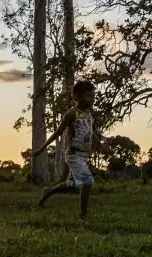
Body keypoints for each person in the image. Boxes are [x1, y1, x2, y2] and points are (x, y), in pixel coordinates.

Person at [33, 80, 107, 219]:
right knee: (88, 182)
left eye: (93, 96)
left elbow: (92, 133)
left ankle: (47, 192)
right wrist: (41, 149)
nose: (92, 100)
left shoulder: (88, 114)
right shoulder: (71, 114)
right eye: (88, 96)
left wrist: (101, 146)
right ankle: (83, 217)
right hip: (74, 155)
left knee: (70, 184)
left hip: (83, 155)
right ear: (77, 97)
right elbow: (57, 133)